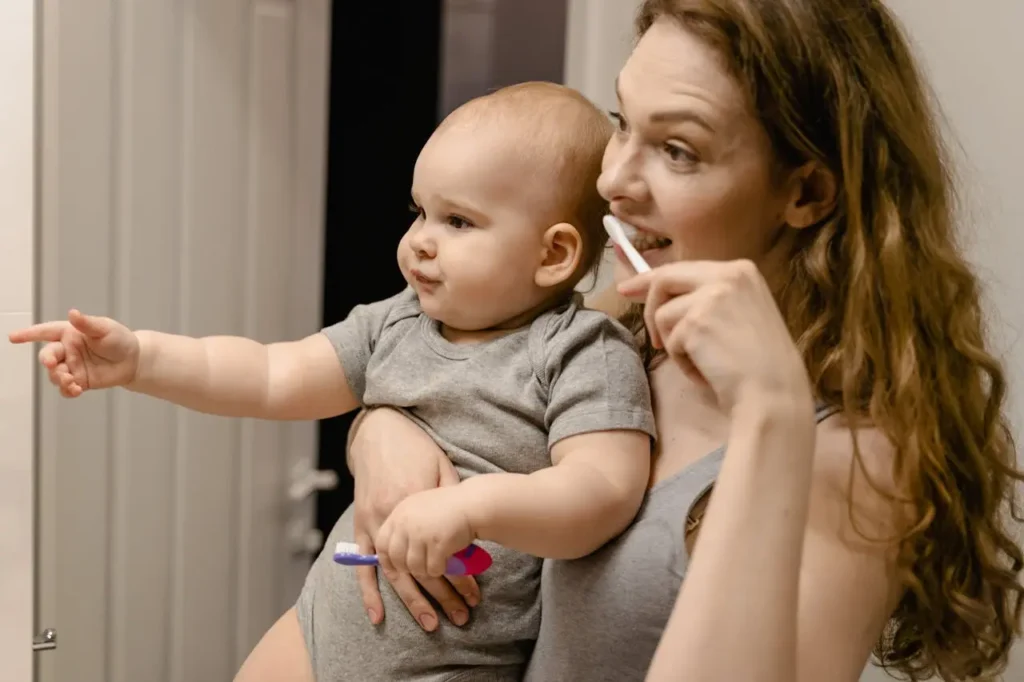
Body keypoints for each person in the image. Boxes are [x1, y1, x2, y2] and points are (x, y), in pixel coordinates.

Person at [346, 1, 1024, 681]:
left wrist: (771, 415)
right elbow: (440, 376)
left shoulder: (857, 456)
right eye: (621, 124)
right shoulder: (625, 327)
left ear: (807, 192)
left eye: (677, 150)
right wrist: (383, 428)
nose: (611, 181)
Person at [9, 82, 658, 681]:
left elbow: (603, 491)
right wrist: (142, 359)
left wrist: (472, 506)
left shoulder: (581, 351)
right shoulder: (397, 323)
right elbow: (270, 374)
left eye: (457, 222)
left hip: (447, 664)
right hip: (319, 627)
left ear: (555, 254)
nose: (419, 243)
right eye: (420, 212)